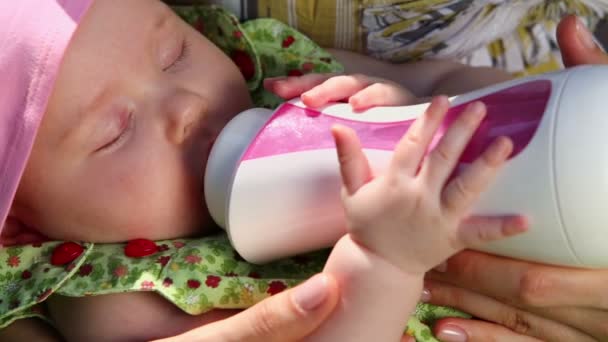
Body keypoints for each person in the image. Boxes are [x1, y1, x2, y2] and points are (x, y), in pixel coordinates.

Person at [0, 0, 524, 341]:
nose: (185, 106)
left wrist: (407, 110)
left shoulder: (271, 76)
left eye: (173, 53)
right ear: (19, 226)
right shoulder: (116, 295)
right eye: (114, 132)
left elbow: (449, 77)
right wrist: (385, 264)